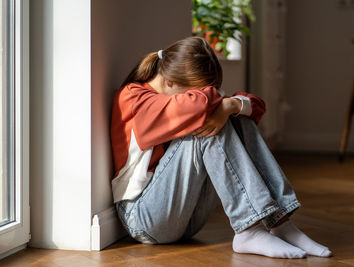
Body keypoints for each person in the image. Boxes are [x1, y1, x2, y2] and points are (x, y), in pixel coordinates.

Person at [111, 36, 332, 259]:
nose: (201, 95)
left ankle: (281, 224)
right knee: (208, 126)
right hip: (143, 218)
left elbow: (256, 107)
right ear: (169, 82)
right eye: (194, 91)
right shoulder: (134, 99)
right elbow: (199, 104)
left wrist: (231, 105)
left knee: (234, 117)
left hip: (186, 219)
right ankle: (249, 230)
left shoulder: (180, 97)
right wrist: (224, 103)